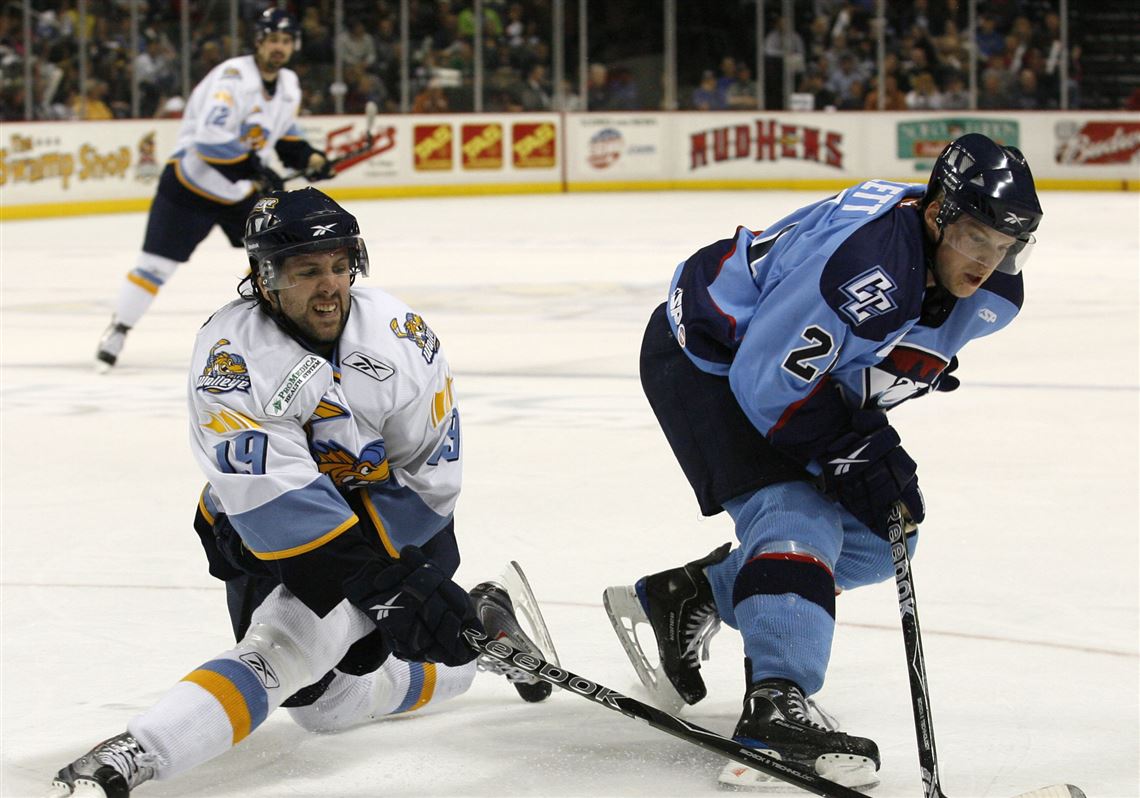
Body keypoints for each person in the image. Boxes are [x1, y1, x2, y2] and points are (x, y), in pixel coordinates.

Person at [51, 188, 551, 797]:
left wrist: (401, 578)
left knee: (285, 646)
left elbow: (430, 473)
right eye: (308, 271)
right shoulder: (232, 356)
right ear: (264, 280)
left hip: (394, 519)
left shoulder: (400, 336)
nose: (330, 286)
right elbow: (276, 496)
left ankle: (134, 754)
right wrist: (376, 586)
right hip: (267, 529)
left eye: (341, 267)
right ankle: (477, 655)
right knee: (321, 704)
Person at [604, 133, 1042, 789]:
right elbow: (764, 381)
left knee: (878, 539)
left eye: (1005, 245)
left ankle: (687, 596)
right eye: (977, 237)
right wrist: (851, 448)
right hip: (708, 359)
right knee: (796, 511)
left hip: (778, 373)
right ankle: (775, 705)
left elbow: (856, 365)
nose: (989, 260)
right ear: (938, 213)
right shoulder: (869, 271)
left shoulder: (988, 298)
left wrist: (863, 446)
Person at [94, 9, 334, 372]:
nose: (279, 48)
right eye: (272, 40)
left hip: (238, 194)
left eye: (285, 41)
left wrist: (310, 156)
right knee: (155, 267)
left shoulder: (287, 85)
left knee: (277, 260)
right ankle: (119, 329)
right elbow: (209, 142)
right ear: (258, 42)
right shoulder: (232, 79)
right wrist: (256, 169)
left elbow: (281, 134)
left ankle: (286, 339)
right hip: (190, 188)